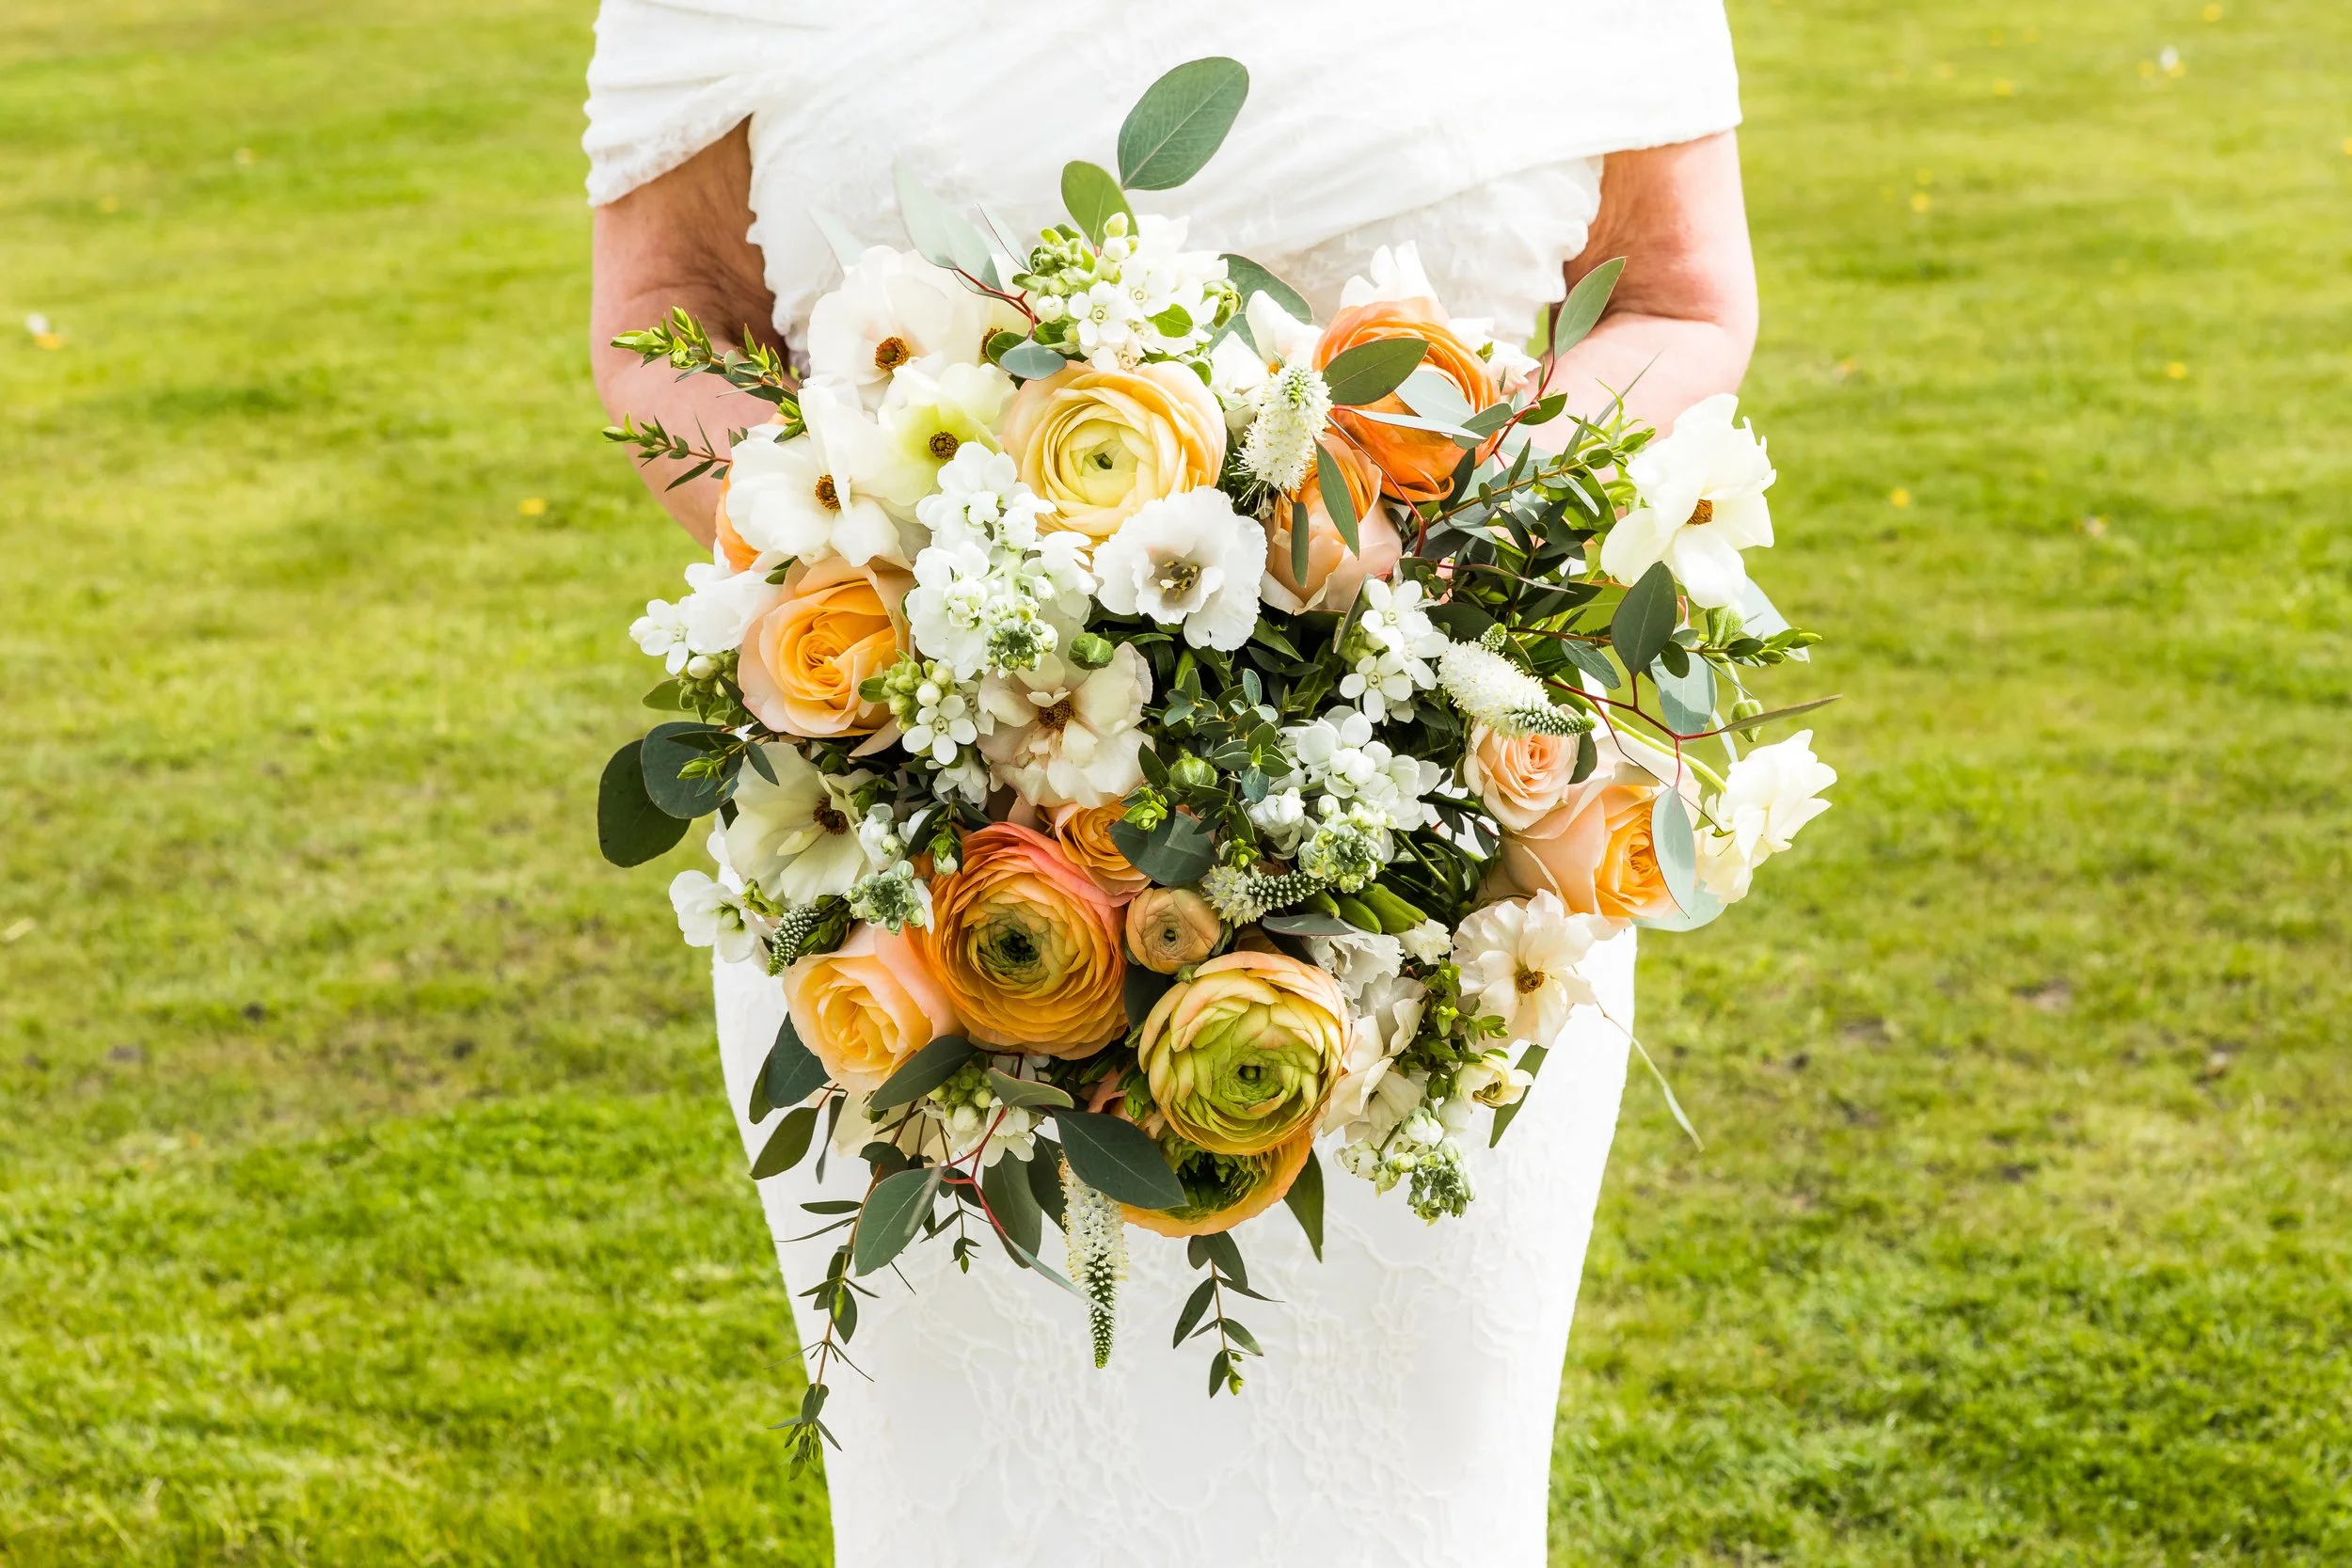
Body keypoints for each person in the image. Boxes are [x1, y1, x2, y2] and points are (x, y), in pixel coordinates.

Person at [585, 7, 1756, 1564]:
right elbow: (668, 311)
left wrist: (1418, 573)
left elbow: (1677, 296)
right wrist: (904, 579)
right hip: (911, 894)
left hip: (1448, 895)